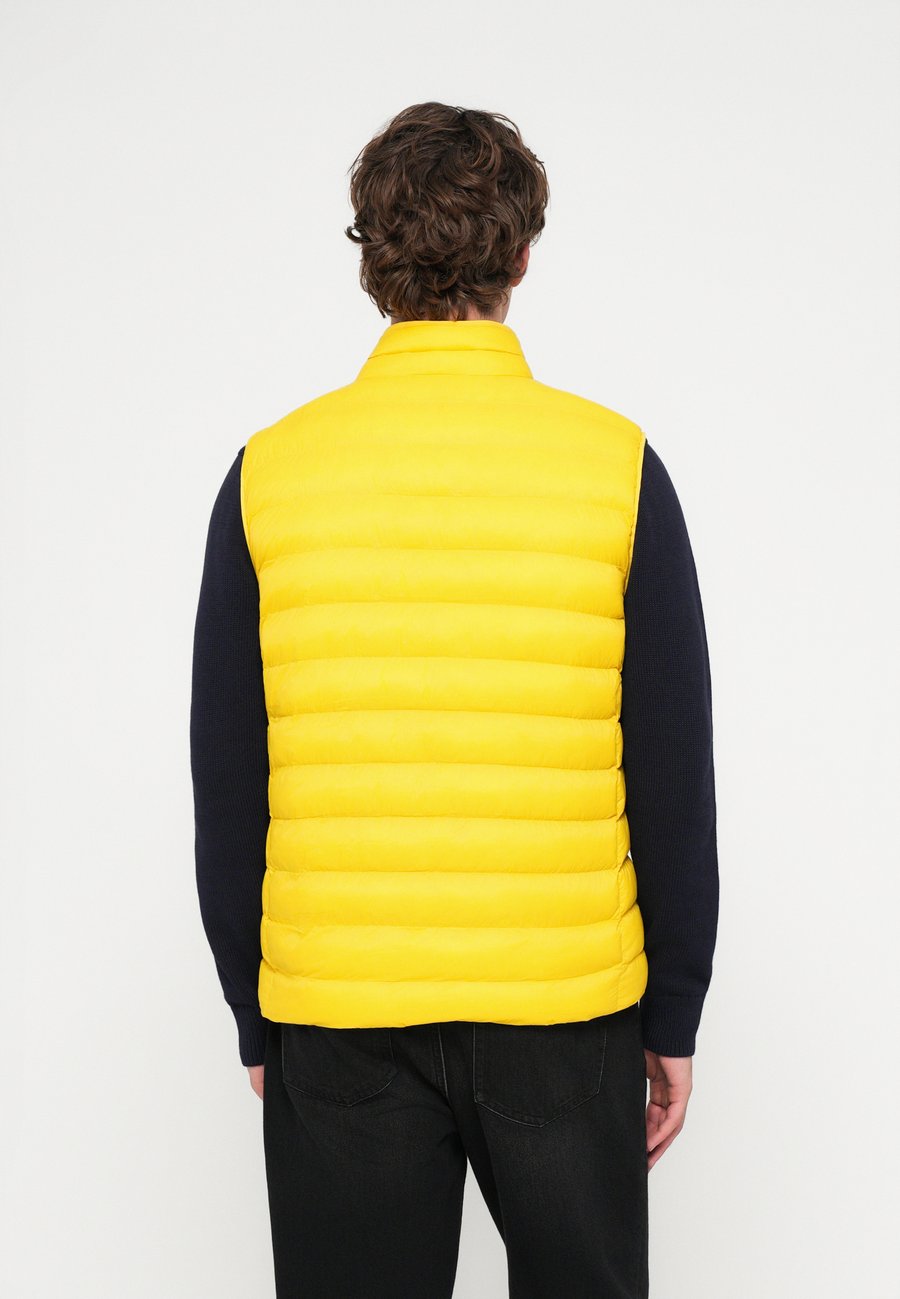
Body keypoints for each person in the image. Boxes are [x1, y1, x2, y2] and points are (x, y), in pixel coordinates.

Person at [190, 101, 718, 1299]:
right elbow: (671, 771)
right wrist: (673, 1015)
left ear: (372, 258)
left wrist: (256, 1014)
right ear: (521, 256)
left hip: (338, 1009)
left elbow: (229, 773)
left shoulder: (271, 472)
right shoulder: (615, 465)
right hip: (566, 1009)